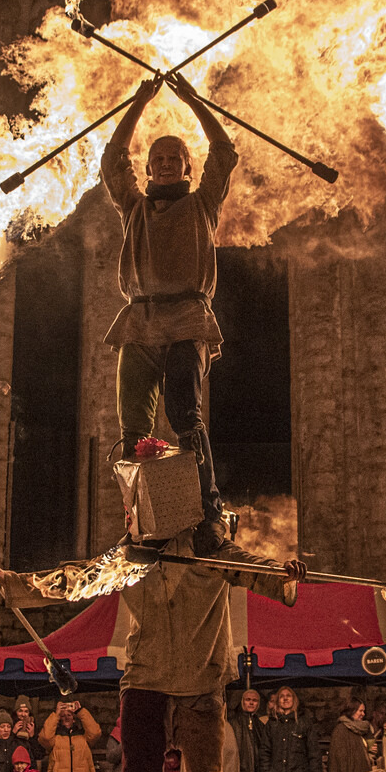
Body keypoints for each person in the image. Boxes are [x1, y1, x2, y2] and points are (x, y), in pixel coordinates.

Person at [0, 511, 300, 772]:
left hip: (200, 680)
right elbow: (78, 579)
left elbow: (258, 573)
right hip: (146, 678)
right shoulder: (130, 557)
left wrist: (285, 576)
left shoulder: (210, 548)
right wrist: (16, 583)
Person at [101, 72, 240, 552]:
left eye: (173, 159)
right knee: (133, 430)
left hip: (186, 321)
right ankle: (141, 524)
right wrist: (137, 103)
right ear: (148, 168)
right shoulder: (133, 208)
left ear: (186, 167)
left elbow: (224, 154)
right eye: (156, 159)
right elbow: (111, 161)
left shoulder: (203, 204)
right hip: (139, 323)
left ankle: (210, 519)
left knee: (186, 419)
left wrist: (195, 102)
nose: (164, 165)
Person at [228, 688, 264, 772]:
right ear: (242, 701)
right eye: (248, 699)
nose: (251, 702)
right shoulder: (233, 723)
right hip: (240, 771)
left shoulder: (260, 725)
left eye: (255, 700)